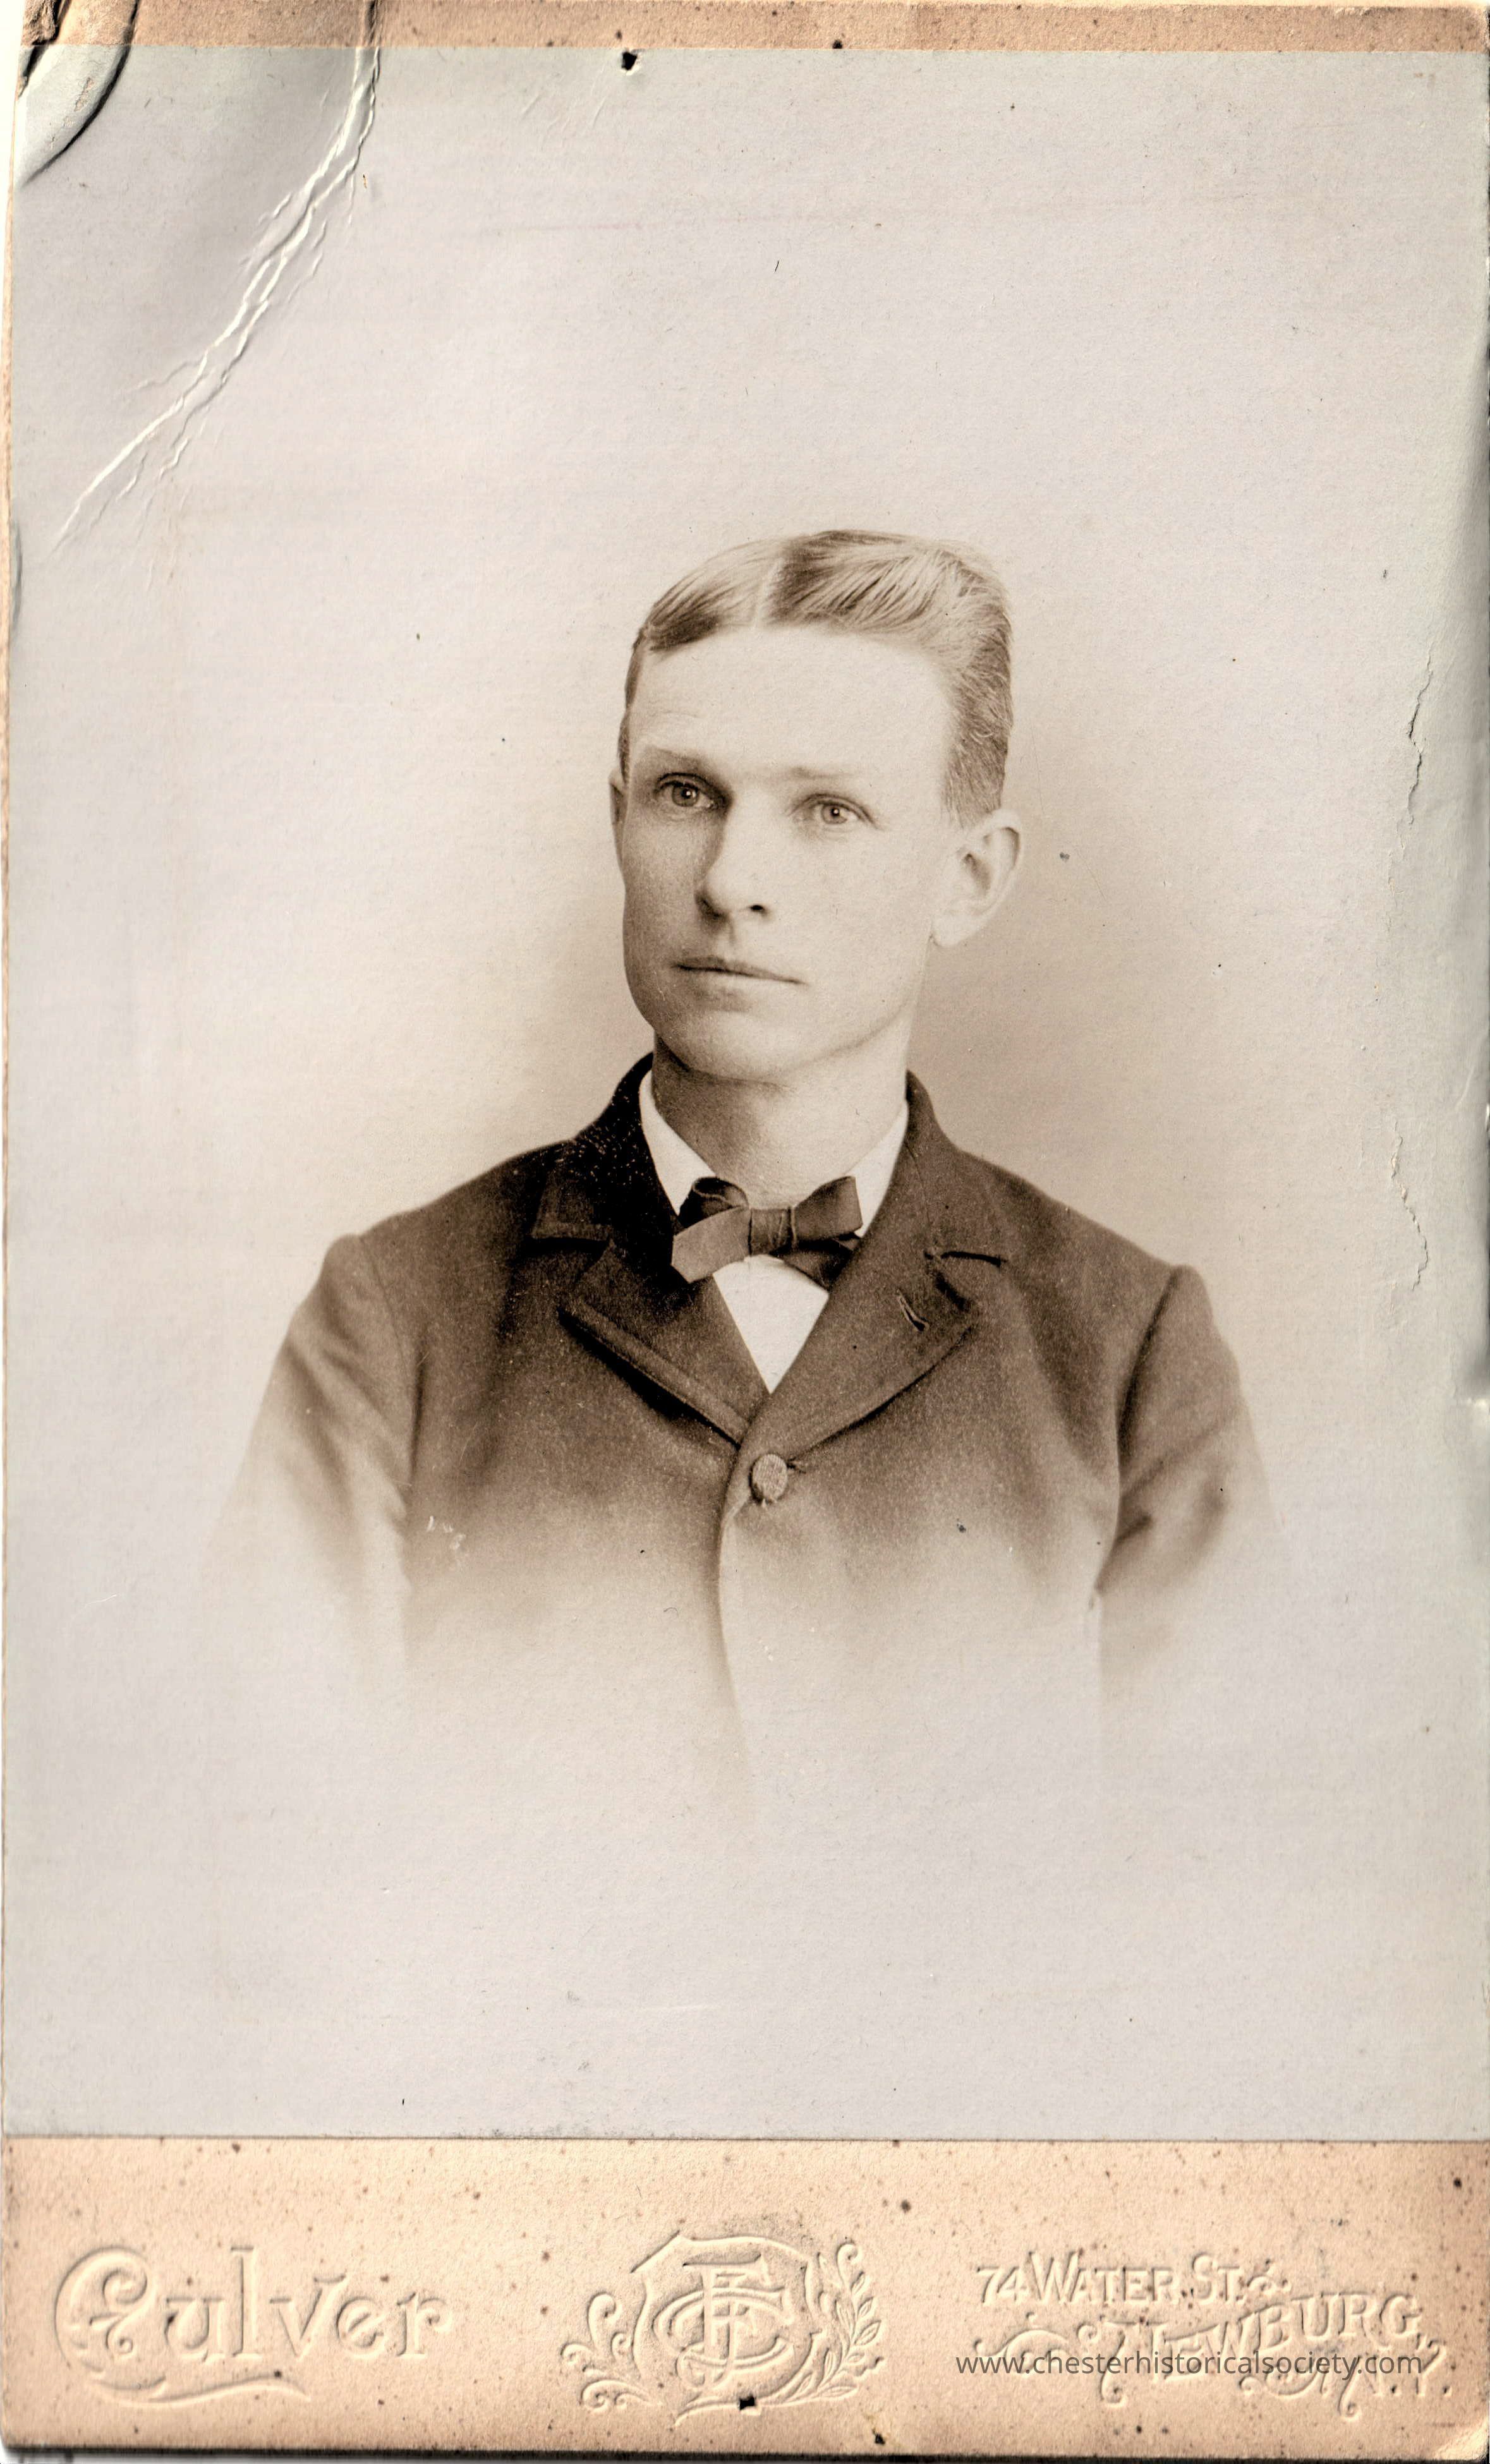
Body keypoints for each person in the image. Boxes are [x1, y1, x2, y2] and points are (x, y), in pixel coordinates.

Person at [217, 531, 1269, 1972]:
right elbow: (264, 1890)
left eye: (828, 810)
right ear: (618, 820)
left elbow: (1237, 1922)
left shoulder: (1133, 1346)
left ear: (969, 878)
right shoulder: (393, 1316)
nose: (730, 880)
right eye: (686, 794)